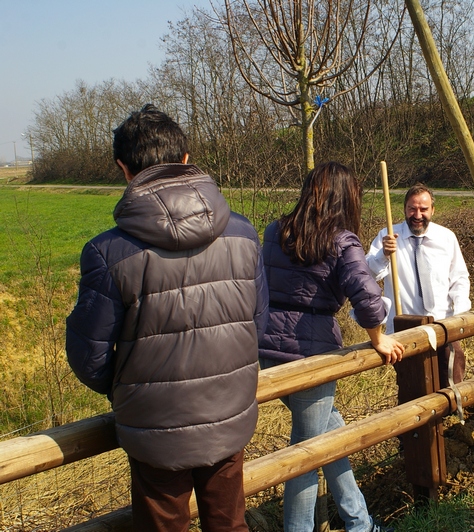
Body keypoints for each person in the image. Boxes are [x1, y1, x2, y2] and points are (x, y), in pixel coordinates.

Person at [65, 104, 269, 531]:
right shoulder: (244, 234)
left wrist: (132, 389)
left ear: (124, 169)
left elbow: (89, 355)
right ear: (187, 159)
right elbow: (257, 324)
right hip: (229, 412)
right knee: (230, 525)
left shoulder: (107, 253)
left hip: (154, 425)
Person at [259, 161, 403, 532]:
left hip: (267, 349)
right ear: (346, 198)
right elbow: (367, 296)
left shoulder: (275, 231)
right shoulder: (341, 240)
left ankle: (360, 524)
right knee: (306, 455)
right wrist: (379, 337)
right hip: (311, 354)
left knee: (329, 435)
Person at [365, 183, 471, 386]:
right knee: (413, 389)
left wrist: (459, 315)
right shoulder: (387, 236)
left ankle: (454, 418)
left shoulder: (446, 238)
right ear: (404, 209)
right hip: (405, 329)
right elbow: (368, 274)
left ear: (433, 210)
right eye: (412, 209)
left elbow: (459, 278)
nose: (417, 215)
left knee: (453, 383)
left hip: (443, 325)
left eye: (423, 209)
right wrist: (384, 255)